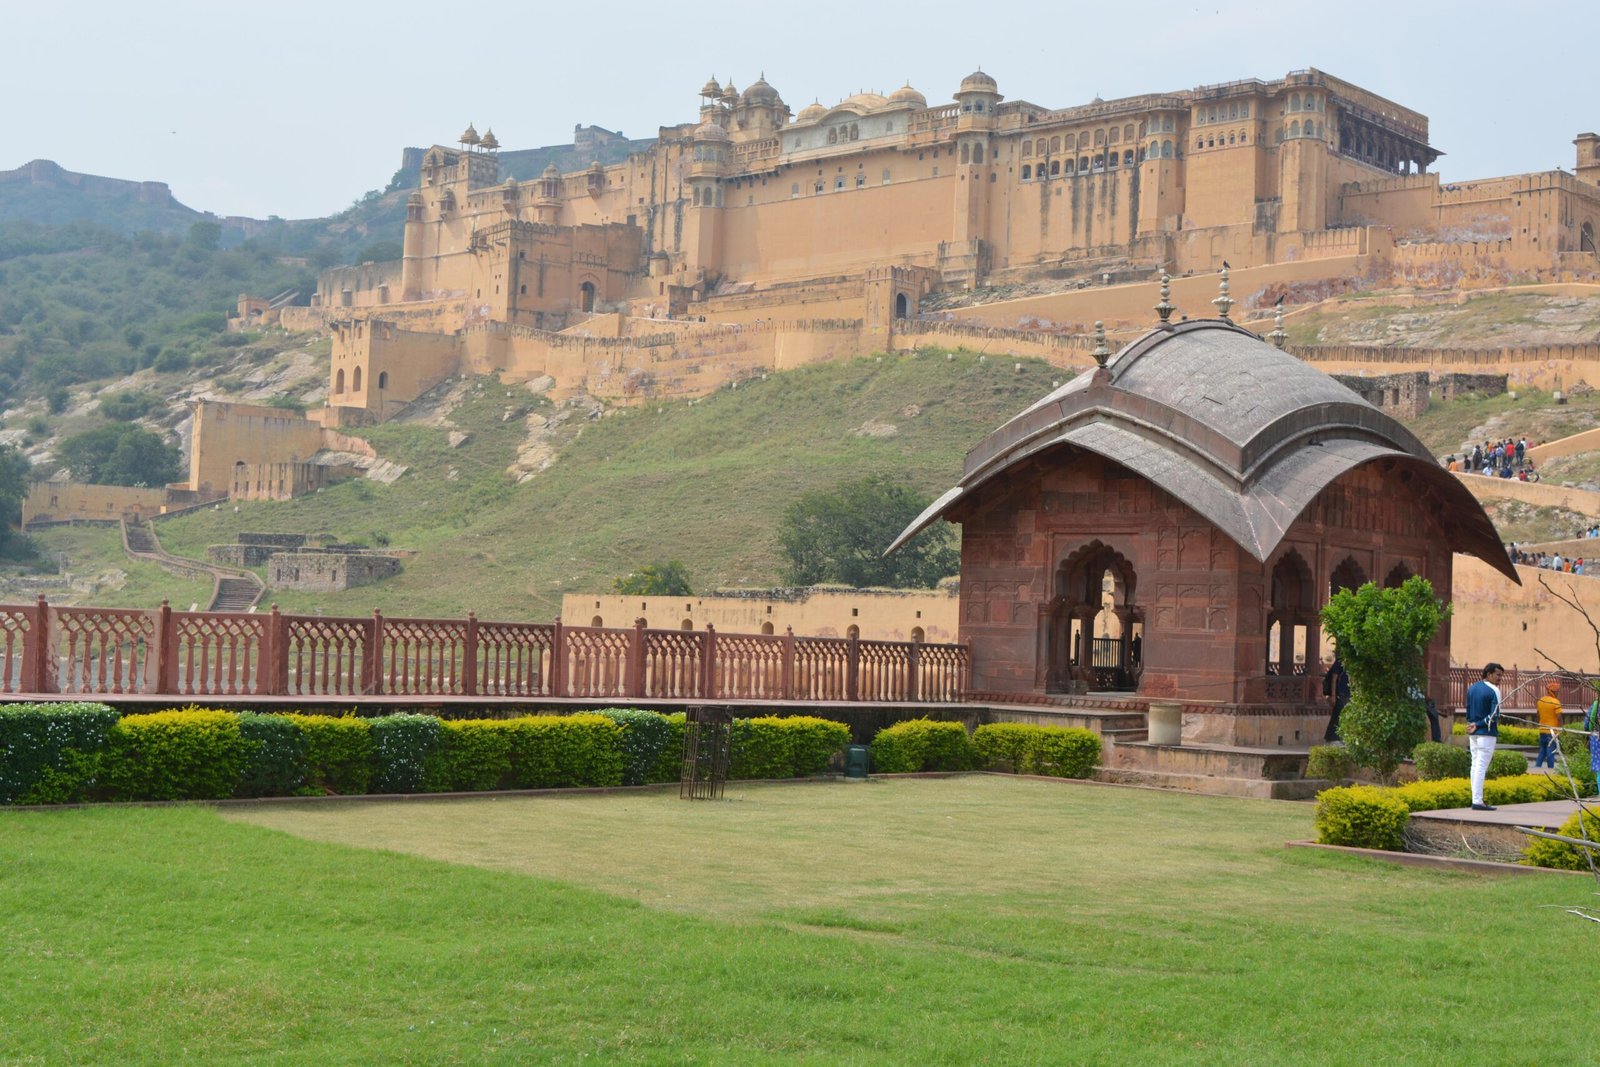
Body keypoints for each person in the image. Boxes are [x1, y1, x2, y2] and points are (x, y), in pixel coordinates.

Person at [1465, 663, 1504, 810]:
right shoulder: (1494, 690)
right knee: (1480, 766)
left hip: (1473, 732)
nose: (1500, 678)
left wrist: (1472, 724)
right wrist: (1480, 724)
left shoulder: (1472, 688)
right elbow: (1494, 715)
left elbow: (1468, 709)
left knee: (1475, 765)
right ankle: (1478, 801)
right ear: (1488, 674)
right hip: (1486, 733)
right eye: (1498, 674)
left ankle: (1476, 799)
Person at [1322, 647, 1351, 743]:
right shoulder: (1340, 662)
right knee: (1338, 714)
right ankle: (1332, 737)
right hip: (1341, 693)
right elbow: (1334, 678)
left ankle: (1343, 736)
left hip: (1349, 693)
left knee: (1346, 715)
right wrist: (1333, 695)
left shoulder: (1353, 663)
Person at [1534, 680, 1562, 769]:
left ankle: (1537, 767)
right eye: (1557, 691)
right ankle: (1551, 769)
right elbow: (1559, 717)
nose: (1558, 693)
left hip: (1542, 729)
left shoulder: (1541, 700)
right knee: (1551, 751)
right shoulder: (1555, 702)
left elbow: (1538, 715)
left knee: (1542, 750)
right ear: (1553, 691)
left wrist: (1541, 723)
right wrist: (1561, 728)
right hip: (1552, 731)